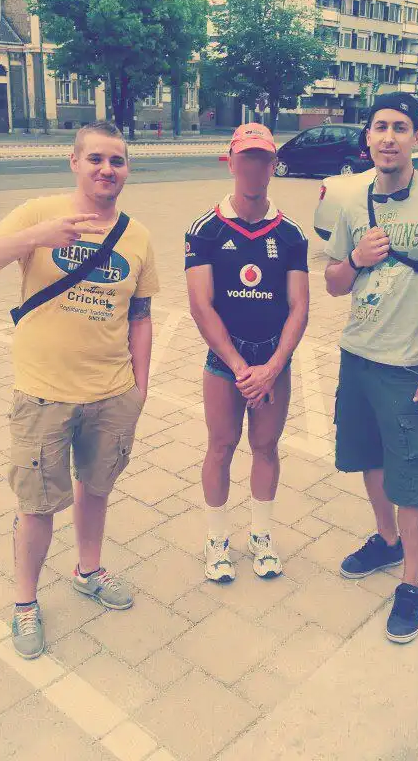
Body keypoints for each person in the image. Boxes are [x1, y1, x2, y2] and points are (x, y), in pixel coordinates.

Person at [0, 121, 159, 659]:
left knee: (96, 488)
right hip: (43, 394)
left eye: (116, 161)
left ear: (126, 170)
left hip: (112, 394)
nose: (106, 169)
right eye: (95, 159)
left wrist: (139, 388)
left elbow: (141, 315)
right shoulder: (38, 213)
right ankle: (25, 602)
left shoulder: (137, 236)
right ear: (74, 162)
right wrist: (35, 238)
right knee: (37, 504)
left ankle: (88, 571)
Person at [324, 92, 418, 643]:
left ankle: (411, 583)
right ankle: (386, 542)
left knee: (411, 481)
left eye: (400, 127)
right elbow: (333, 283)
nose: (388, 137)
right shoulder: (350, 200)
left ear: (416, 136)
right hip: (357, 358)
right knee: (368, 458)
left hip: (409, 368)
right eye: (380, 126)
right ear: (367, 136)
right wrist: (356, 258)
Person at [185, 123, 309, 583]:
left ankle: (260, 536)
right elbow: (200, 305)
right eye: (246, 158)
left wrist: (272, 367)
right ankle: (217, 539)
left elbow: (299, 307)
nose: (254, 167)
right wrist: (240, 368)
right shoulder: (205, 230)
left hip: (273, 361)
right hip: (226, 362)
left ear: (273, 165)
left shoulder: (291, 234)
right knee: (220, 447)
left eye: (263, 159)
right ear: (232, 162)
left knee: (266, 447)